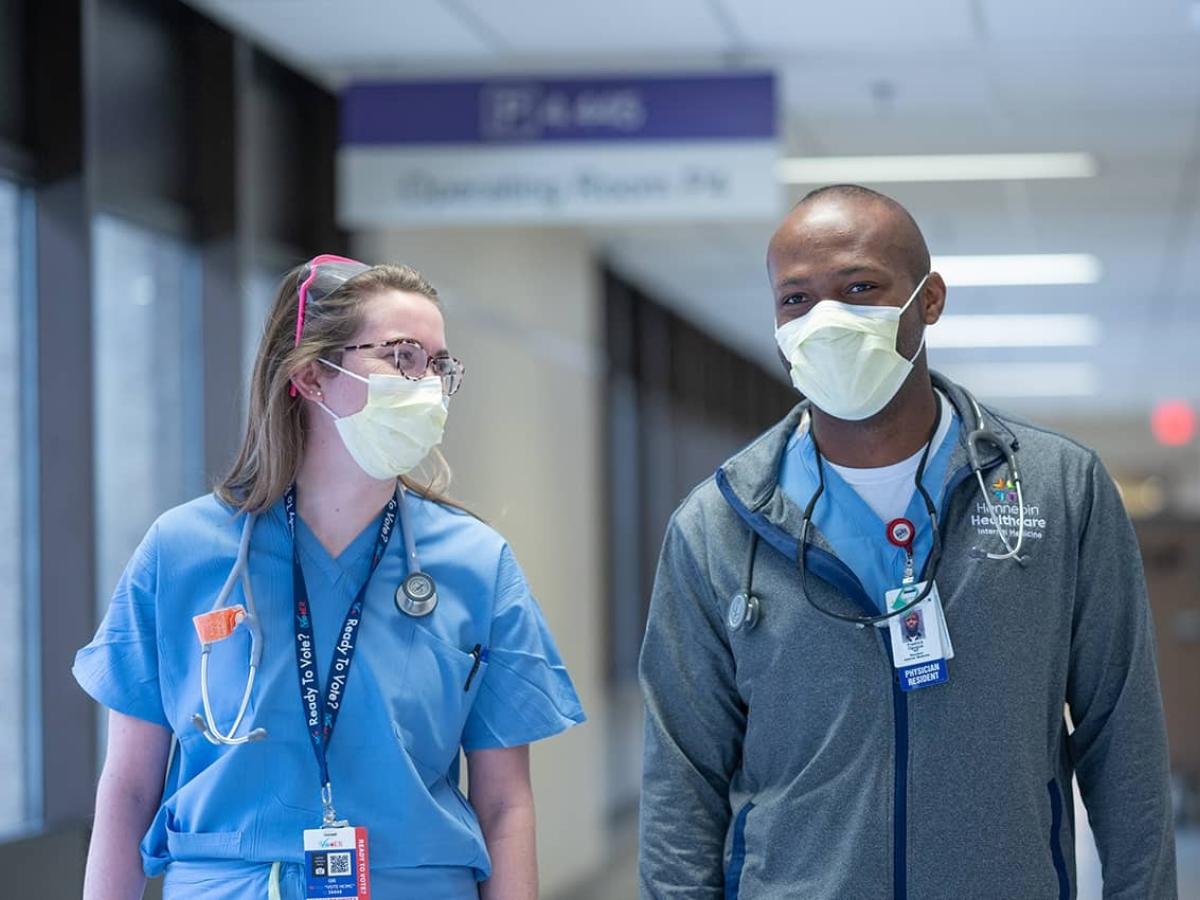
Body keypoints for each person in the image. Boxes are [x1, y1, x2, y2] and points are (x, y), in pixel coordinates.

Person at [638, 186, 1177, 898]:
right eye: (796, 300)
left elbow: (1123, 734)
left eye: (860, 287)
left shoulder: (1057, 488)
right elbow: (681, 776)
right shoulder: (718, 523)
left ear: (929, 300)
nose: (826, 320)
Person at [75, 256, 585, 900]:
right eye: (402, 357)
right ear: (311, 374)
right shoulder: (180, 553)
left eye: (438, 364)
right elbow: (128, 789)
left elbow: (506, 803)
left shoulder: (475, 564)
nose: (426, 383)